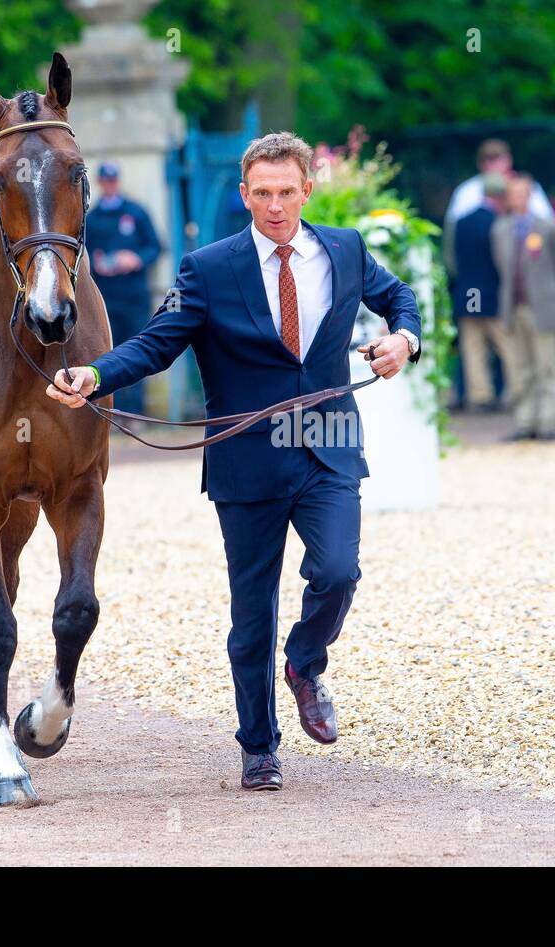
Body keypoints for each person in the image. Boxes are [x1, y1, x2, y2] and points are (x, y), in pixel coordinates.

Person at [45, 132, 422, 792]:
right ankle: (259, 747)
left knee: (338, 570)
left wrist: (404, 341)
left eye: (287, 192)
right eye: (263, 194)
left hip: (329, 445)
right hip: (246, 461)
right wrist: (95, 374)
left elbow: (401, 301)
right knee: (252, 615)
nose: (275, 206)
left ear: (308, 190)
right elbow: (158, 344)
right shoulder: (208, 268)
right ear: (245, 194)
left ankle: (305, 662)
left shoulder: (344, 249)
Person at [491, 173, 555, 441]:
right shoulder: (500, 230)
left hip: (543, 307)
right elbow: (499, 268)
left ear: (530, 196)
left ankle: (549, 422)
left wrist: (550, 291)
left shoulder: (549, 227)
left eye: (522, 194)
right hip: (513, 309)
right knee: (519, 369)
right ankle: (525, 421)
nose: (518, 199)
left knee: (547, 367)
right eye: (513, 195)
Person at [84, 161, 162, 415]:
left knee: (137, 348)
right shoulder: (92, 218)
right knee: (109, 353)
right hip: (106, 297)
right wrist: (97, 264)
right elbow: (82, 254)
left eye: (113, 180)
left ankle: (135, 412)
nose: (109, 185)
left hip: (134, 295)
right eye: (105, 181)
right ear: (99, 183)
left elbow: (155, 246)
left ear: (118, 181)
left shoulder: (136, 212)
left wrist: (135, 259)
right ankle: (114, 411)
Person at [443, 138, 552, 276]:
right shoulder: (467, 191)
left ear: (509, 160)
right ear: (480, 163)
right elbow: (452, 235)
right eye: (487, 159)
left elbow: (547, 225)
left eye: (498, 158)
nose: (493, 164)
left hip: (524, 272)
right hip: (481, 273)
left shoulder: (528, 187)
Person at [451, 172, 509, 413]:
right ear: (499, 196)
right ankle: (515, 393)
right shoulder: (499, 222)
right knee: (508, 347)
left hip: (467, 295)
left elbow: (453, 260)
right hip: (492, 294)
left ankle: (480, 397)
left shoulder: (461, 222)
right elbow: (501, 261)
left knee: (473, 350)